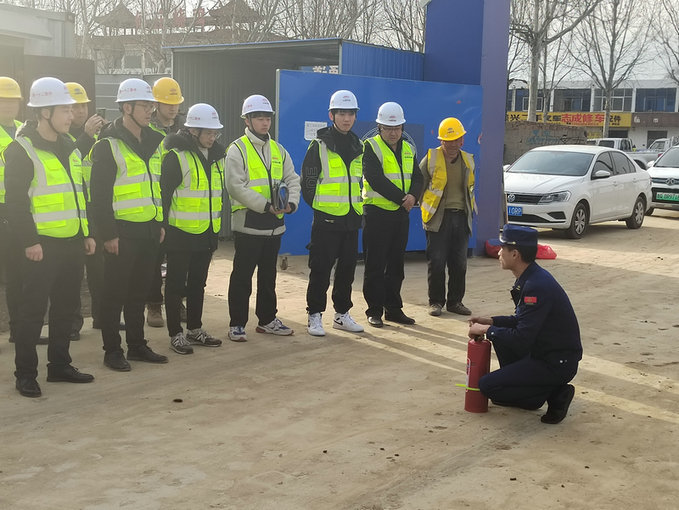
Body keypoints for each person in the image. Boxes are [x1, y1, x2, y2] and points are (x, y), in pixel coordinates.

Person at [4, 77, 95, 397]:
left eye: (71, 110)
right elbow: (15, 203)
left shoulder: (70, 147)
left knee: (65, 308)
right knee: (31, 313)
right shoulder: (21, 150)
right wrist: (30, 242)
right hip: (41, 247)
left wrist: (86, 233)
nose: (72, 116)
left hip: (71, 243)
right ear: (45, 112)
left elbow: (79, 194)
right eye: (65, 110)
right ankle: (26, 373)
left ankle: (59, 365)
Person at [90, 78, 168, 371]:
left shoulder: (155, 142)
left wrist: (159, 222)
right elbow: (99, 196)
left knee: (138, 293)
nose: (150, 111)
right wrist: (108, 234)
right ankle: (112, 351)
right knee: (114, 294)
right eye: (144, 106)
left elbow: (156, 186)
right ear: (126, 108)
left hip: (149, 230)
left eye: (151, 106)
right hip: (121, 233)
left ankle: (136, 345)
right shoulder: (107, 145)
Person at [468, 224, 582, 424]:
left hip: (556, 362)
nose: (499, 253)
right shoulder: (531, 278)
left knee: (488, 387)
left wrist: (487, 329)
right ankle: (533, 391)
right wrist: (492, 322)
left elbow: (522, 338)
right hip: (545, 352)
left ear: (515, 254)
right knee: (500, 335)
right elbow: (522, 322)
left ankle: (555, 393)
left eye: (503, 249)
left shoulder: (535, 286)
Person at [224, 94, 300, 342]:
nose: (265, 122)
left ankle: (267, 320)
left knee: (268, 278)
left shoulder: (278, 150)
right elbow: (235, 186)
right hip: (248, 226)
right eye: (258, 118)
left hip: (274, 227)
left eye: (267, 117)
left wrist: (291, 203)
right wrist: (266, 206)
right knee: (242, 278)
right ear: (247, 120)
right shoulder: (237, 150)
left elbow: (292, 178)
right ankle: (237, 324)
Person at [161, 103, 225, 354]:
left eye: (215, 133)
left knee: (198, 284)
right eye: (208, 132)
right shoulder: (176, 157)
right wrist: (162, 229)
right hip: (180, 234)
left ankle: (195, 329)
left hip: (206, 232)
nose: (212, 137)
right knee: (175, 285)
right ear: (193, 131)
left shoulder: (217, 158)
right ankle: (175, 334)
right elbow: (164, 197)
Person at [301, 90, 364, 337]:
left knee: (347, 271)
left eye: (351, 114)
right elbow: (308, 183)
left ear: (355, 116)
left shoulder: (359, 145)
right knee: (320, 270)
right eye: (341, 113)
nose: (346, 118)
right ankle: (314, 315)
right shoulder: (319, 145)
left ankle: (341, 315)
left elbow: (359, 182)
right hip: (326, 221)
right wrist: (322, 208)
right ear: (331, 115)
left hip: (351, 219)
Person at [361, 102, 422, 327]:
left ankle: (394, 309)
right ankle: (374, 310)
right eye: (388, 128)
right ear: (379, 127)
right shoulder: (370, 147)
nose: (393, 132)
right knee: (375, 266)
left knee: (396, 265)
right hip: (376, 214)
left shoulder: (408, 149)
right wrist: (403, 198)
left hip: (400, 216)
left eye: (397, 128)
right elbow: (375, 178)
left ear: (402, 127)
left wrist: (413, 196)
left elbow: (418, 177)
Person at [419, 117, 476, 317]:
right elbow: (419, 185)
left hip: (461, 217)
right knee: (436, 262)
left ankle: (455, 302)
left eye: (456, 140)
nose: (452, 145)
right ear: (441, 141)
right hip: (438, 218)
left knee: (459, 264)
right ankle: (435, 302)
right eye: (448, 141)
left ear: (462, 140)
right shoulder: (431, 159)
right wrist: (423, 208)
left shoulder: (468, 160)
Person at [65, 81, 106, 341]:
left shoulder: (97, 137)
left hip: (94, 210)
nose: (81, 111)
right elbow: (68, 157)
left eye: (84, 105)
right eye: (75, 106)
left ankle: (102, 316)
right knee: (72, 272)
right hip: (72, 212)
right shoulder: (62, 136)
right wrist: (87, 136)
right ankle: (72, 323)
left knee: (100, 269)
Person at [147, 76, 186, 328]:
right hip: (155, 197)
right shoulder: (147, 131)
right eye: (167, 103)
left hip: (181, 200)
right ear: (156, 104)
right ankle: (153, 304)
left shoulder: (185, 130)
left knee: (179, 257)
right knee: (155, 256)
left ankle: (176, 301)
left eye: (176, 103)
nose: (173, 108)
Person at [0, 76, 25, 343]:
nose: (8, 105)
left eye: (12, 101)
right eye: (3, 100)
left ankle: (20, 330)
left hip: (16, 209)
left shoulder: (24, 131)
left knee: (19, 273)